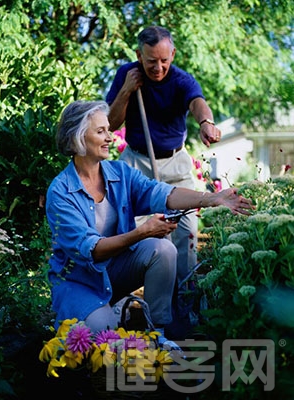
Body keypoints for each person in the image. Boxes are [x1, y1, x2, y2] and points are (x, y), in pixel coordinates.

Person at [45, 100, 252, 350]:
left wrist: (212, 198)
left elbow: (162, 193)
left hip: (116, 270)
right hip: (81, 282)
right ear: (77, 138)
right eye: (100, 131)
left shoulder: (119, 173)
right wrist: (140, 232)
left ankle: (159, 333)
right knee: (102, 333)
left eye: (108, 130)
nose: (110, 137)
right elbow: (92, 250)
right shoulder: (61, 192)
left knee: (162, 249)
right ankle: (105, 314)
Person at [105, 26, 222, 323]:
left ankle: (187, 308)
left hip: (176, 165)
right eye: (150, 61)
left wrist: (206, 122)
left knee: (186, 235)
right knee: (134, 234)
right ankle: (131, 308)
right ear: (139, 56)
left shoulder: (181, 79)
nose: (158, 68)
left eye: (164, 61)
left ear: (172, 55)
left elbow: (197, 102)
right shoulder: (126, 74)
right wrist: (127, 90)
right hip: (135, 163)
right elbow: (111, 122)